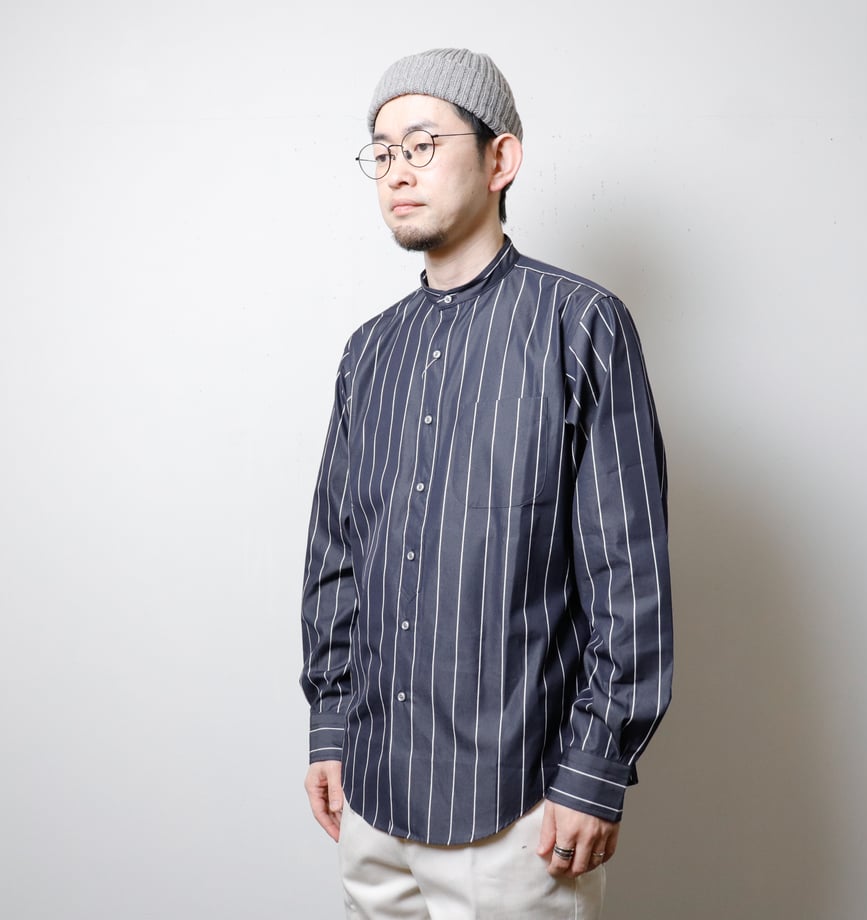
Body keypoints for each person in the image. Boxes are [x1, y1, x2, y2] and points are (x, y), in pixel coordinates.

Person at [300, 47, 673, 919]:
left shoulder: (582, 326)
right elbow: (337, 554)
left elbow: (628, 575)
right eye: (382, 152)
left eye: (422, 144)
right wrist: (330, 723)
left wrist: (595, 768)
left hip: (517, 811)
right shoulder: (369, 352)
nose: (397, 171)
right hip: (372, 797)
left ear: (501, 158)